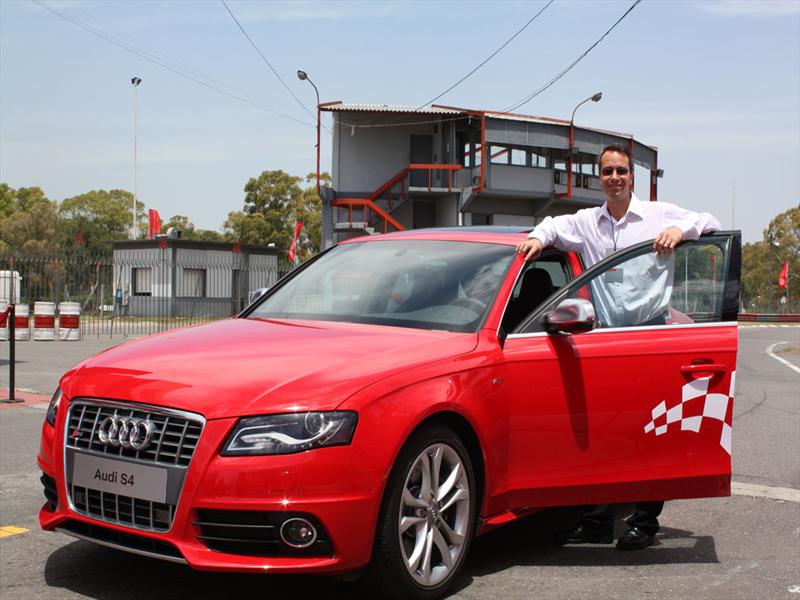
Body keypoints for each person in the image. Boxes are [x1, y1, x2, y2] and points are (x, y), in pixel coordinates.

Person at [516, 143, 721, 550]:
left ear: (632, 178)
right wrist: (537, 239)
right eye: (607, 172)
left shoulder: (658, 215)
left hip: (651, 339)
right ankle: (594, 522)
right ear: (600, 178)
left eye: (621, 172)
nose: (614, 178)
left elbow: (710, 220)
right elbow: (553, 226)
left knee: (650, 434)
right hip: (605, 341)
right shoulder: (588, 222)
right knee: (604, 434)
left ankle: (645, 524)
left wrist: (682, 232)